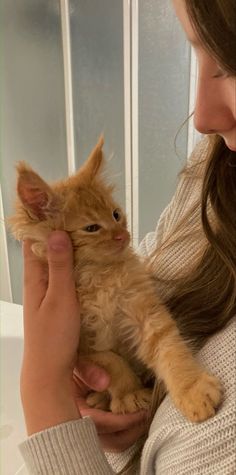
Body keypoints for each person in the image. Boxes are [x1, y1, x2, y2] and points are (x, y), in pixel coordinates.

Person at [18, 0, 236, 473]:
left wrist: (42, 390)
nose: (201, 118)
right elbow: (161, 259)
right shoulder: (214, 165)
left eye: (231, 66)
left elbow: (150, 323)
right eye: (198, 54)